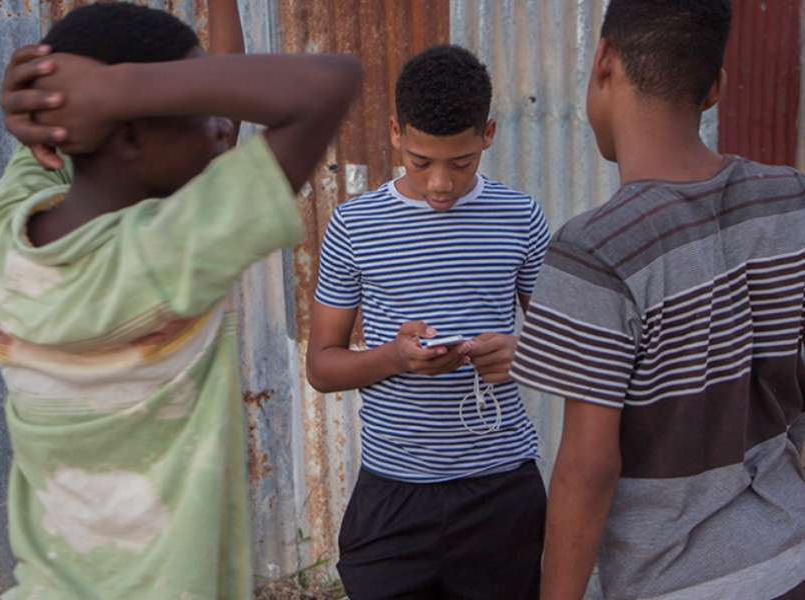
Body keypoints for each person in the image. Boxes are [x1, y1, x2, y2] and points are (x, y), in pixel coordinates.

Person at [0, 2, 361, 598]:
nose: (227, 128)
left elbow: (52, 128)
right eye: (203, 112)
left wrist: (96, 93)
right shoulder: (166, 260)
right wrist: (119, 87)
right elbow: (330, 83)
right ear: (126, 127)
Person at [509, 1, 805, 599]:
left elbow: (587, 468)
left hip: (676, 582)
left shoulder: (594, 250)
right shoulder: (789, 200)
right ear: (716, 88)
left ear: (604, 60)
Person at [306, 44, 551, 600]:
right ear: (395, 131)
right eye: (421, 162)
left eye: (461, 163)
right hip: (393, 496)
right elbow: (322, 366)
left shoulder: (520, 216)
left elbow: (565, 346)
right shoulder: (355, 225)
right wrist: (394, 357)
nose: (441, 183)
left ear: (487, 134)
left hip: (501, 491)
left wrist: (522, 353)